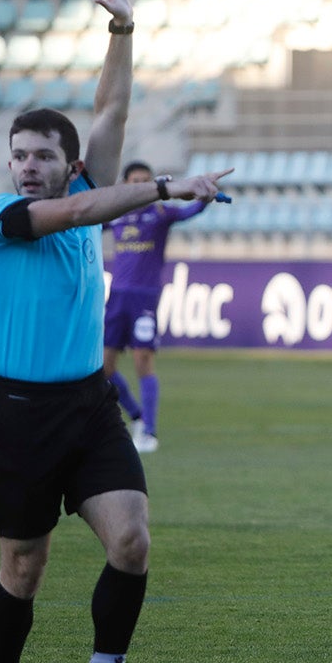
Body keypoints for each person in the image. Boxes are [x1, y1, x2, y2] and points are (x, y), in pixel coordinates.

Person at [0, 0, 231, 663]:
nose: (27, 167)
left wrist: (123, 28)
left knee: (131, 539)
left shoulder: (83, 196)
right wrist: (163, 188)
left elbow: (110, 108)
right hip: (15, 415)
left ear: (65, 160)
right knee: (24, 570)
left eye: (41, 156)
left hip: (86, 407)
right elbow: (86, 203)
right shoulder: (2, 218)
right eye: (19, 155)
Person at [103, 160, 210, 453]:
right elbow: (85, 223)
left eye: (147, 181)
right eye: (136, 180)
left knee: (142, 361)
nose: (142, 185)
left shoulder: (159, 213)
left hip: (144, 298)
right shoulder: (116, 216)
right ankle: (137, 415)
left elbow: (191, 211)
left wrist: (205, 195)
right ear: (125, 184)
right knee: (104, 367)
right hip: (117, 297)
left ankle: (149, 432)